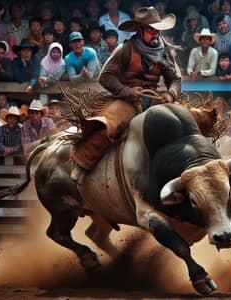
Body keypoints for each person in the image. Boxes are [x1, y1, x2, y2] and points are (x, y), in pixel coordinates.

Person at [71, 6, 182, 183]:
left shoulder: (166, 51)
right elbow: (105, 77)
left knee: (184, 121)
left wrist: (171, 94)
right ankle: (82, 164)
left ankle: (191, 168)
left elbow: (176, 79)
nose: (155, 33)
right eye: (150, 29)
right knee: (110, 124)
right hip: (127, 100)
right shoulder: (126, 49)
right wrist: (126, 91)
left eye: (157, 30)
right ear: (140, 30)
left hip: (155, 100)